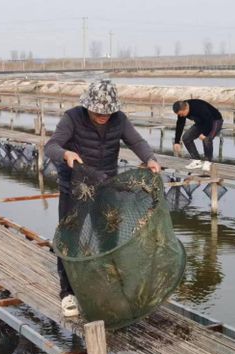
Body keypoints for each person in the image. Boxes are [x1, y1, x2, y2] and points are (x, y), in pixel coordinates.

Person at [44, 79, 161, 317]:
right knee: (70, 239)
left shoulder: (119, 119)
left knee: (109, 234)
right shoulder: (72, 118)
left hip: (106, 186)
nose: (103, 115)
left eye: (108, 112)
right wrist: (65, 153)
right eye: (98, 111)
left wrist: (150, 158)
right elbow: (51, 146)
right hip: (75, 188)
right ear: (88, 106)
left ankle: (110, 283)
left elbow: (136, 141)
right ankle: (67, 293)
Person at [172, 99, 223, 171]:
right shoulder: (181, 109)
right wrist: (177, 141)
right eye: (179, 115)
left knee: (207, 138)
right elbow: (180, 124)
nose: (181, 115)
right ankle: (197, 161)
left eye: (181, 114)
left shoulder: (199, 107)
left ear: (186, 108)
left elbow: (209, 120)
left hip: (215, 120)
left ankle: (208, 161)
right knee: (186, 137)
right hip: (200, 122)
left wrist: (204, 133)